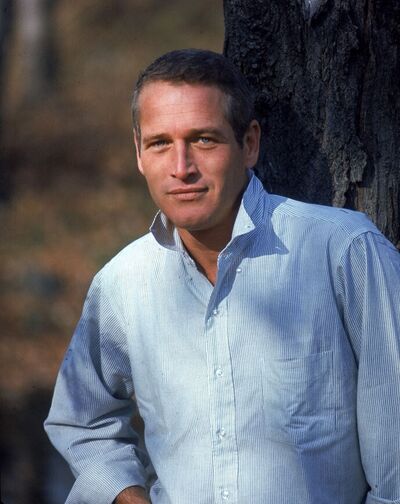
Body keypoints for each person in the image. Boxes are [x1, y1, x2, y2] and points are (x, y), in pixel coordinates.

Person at [45, 49, 400, 504]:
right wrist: (129, 496)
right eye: (160, 143)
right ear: (139, 153)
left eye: (204, 139)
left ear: (248, 144)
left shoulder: (343, 252)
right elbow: (80, 421)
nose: (181, 168)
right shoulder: (122, 284)